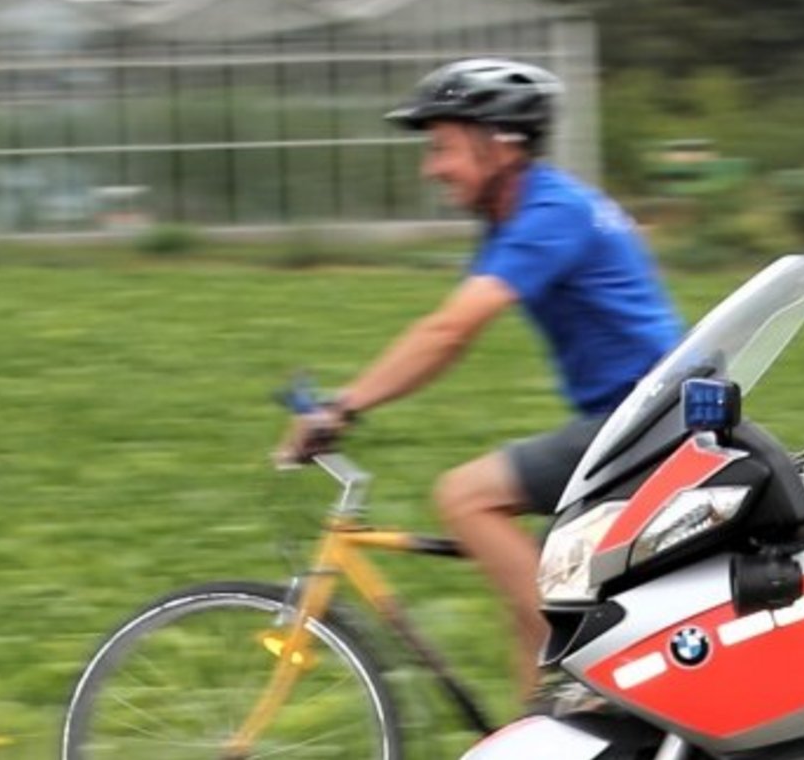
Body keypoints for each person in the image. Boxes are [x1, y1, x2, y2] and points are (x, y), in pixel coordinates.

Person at [277, 58, 683, 702]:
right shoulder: (522, 214)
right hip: (644, 414)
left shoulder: (551, 213)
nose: (430, 168)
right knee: (529, 593)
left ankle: (583, 669)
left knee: (466, 498)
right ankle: (548, 729)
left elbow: (448, 330)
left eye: (443, 148)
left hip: (646, 421)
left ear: (501, 143)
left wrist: (341, 407)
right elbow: (448, 341)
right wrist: (350, 405)